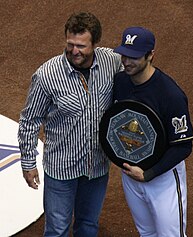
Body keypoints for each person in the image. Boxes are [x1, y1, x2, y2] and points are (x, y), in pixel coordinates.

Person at [17, 12, 122, 237]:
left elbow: (134, 71)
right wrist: (28, 163)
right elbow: (30, 120)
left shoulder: (111, 61)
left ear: (95, 44)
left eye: (81, 46)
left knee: (88, 226)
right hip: (61, 169)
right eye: (70, 44)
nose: (75, 51)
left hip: (97, 166)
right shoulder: (47, 75)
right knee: (57, 230)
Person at [113, 27, 193, 237]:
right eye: (125, 55)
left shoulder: (170, 95)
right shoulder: (120, 82)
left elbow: (184, 146)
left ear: (150, 55)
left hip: (163, 177)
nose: (127, 61)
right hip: (131, 174)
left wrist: (149, 174)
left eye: (134, 57)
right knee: (146, 233)